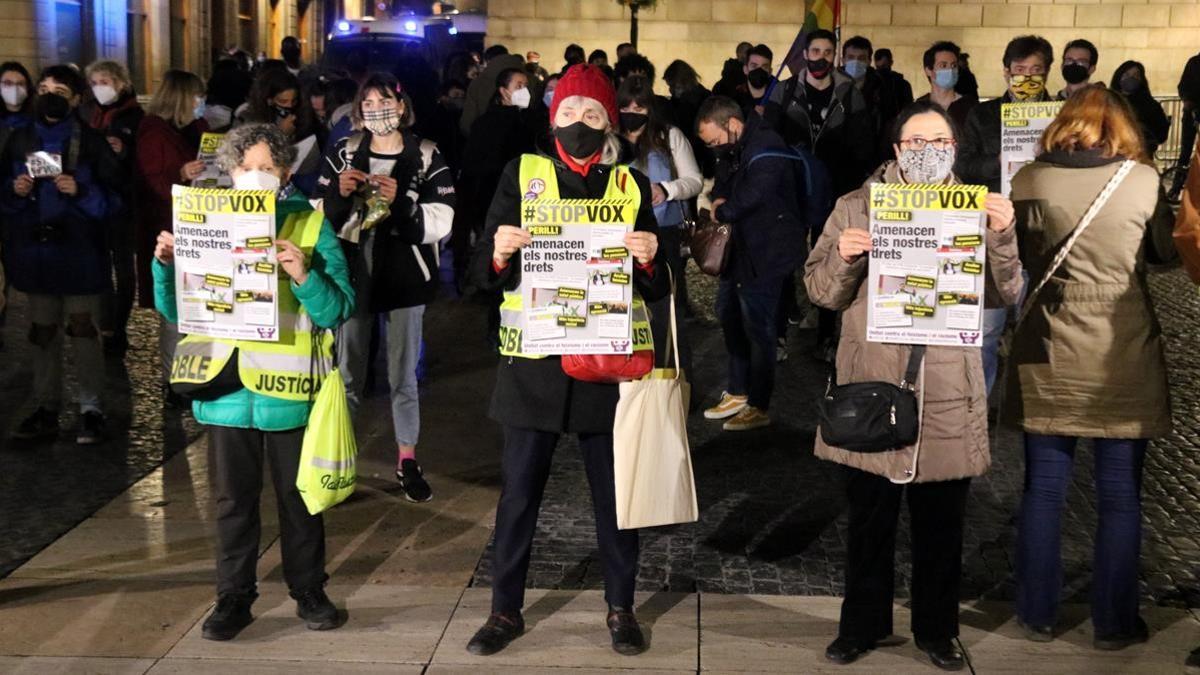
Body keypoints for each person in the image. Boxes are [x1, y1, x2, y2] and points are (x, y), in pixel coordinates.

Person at [804, 100, 1022, 670]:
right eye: (916, 142)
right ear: (897, 149)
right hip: (874, 385)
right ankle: (861, 627)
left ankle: (937, 631)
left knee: (941, 527)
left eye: (939, 141)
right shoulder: (855, 206)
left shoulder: (977, 210)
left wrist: (1001, 235)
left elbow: (1005, 295)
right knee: (869, 522)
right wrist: (848, 256)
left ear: (954, 148)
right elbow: (821, 293)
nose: (928, 151)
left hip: (948, 387)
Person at [464, 63, 668, 658]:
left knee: (615, 498)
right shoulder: (521, 174)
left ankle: (621, 607)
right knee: (519, 498)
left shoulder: (628, 186)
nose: (580, 123)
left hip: (607, 371)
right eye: (570, 112)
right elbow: (481, 274)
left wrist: (652, 256)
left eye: (593, 114)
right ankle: (504, 611)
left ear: (610, 123)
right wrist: (500, 253)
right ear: (553, 117)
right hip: (534, 368)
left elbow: (657, 287)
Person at [153, 123, 355, 641]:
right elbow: (177, 309)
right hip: (226, 390)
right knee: (232, 502)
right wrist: (165, 265)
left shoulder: (310, 224)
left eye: (268, 168)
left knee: (299, 498)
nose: (256, 176)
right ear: (230, 171)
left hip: (288, 391)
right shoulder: (207, 221)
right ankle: (233, 596)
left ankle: (309, 589)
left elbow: (338, 310)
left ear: (285, 172)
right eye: (247, 168)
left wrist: (304, 274)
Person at [1006, 85, 1175, 652]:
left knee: (1044, 491)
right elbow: (1163, 253)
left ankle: (1036, 613)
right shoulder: (1145, 181)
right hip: (1122, 347)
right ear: (1121, 126)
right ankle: (1114, 622)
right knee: (1121, 495)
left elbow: (1024, 258)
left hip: (1050, 345)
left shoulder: (1029, 180)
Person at [319, 73, 456, 503]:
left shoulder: (427, 154)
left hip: (405, 278)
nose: (378, 107)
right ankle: (340, 462)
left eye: (386, 99)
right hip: (354, 275)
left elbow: (442, 220)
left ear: (401, 105)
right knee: (347, 376)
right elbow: (320, 213)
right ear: (358, 109)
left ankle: (407, 459)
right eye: (369, 100)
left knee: (403, 376)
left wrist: (401, 202)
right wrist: (339, 197)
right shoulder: (343, 151)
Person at [1, 64, 121, 444]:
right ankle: (45, 405)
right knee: (40, 331)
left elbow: (117, 201)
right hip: (36, 254)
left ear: (76, 100)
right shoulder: (20, 140)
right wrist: (16, 192)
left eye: (61, 91)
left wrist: (82, 192)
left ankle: (91, 407)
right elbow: (2, 193)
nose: (50, 96)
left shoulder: (90, 142)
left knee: (83, 330)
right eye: (46, 88)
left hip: (80, 254)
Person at [697, 95, 804, 431]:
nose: (715, 148)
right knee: (728, 314)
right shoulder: (736, 148)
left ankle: (758, 404)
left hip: (767, 253)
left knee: (760, 329)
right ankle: (738, 389)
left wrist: (723, 210)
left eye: (715, 140)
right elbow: (725, 183)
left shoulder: (768, 146)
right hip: (741, 250)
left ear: (733, 124)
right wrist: (718, 198)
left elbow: (754, 194)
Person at [957, 34, 1053, 395]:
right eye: (1020, 70)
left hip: (1043, 231)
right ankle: (979, 401)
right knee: (985, 328)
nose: (1027, 77)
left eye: (1036, 70)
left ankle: (1033, 400)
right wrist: (996, 160)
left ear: (1047, 73)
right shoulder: (982, 115)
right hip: (993, 234)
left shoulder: (1062, 117)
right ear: (1006, 72)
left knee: (1040, 331)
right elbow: (962, 166)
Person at [617, 74, 702, 375]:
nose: (632, 113)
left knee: (669, 309)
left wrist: (666, 189)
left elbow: (694, 181)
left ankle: (676, 378)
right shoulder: (610, 139)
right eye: (626, 106)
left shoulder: (669, 136)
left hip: (663, 232)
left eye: (640, 108)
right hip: (617, 235)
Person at [134, 69, 209, 408]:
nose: (200, 103)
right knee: (173, 310)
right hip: (169, 228)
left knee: (197, 304)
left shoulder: (196, 128)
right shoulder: (154, 133)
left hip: (200, 226)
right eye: (196, 96)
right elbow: (154, 185)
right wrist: (180, 174)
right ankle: (172, 380)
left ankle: (194, 373)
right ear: (182, 98)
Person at [764, 29, 876, 197]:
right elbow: (769, 137)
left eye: (827, 52)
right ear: (805, 54)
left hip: (836, 187)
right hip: (792, 186)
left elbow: (862, 145)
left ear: (834, 56)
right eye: (816, 51)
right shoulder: (784, 91)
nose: (821, 58)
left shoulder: (850, 94)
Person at [455, 68, 539, 288]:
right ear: (503, 91)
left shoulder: (530, 119)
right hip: (492, 196)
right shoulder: (488, 122)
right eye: (518, 86)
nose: (524, 90)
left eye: (526, 86)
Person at [82, 60, 143, 358]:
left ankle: (118, 327)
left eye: (104, 81)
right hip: (95, 202)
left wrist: (124, 151)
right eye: (94, 83)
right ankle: (106, 324)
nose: (99, 88)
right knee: (102, 266)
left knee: (122, 268)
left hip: (122, 203)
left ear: (120, 82)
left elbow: (139, 161)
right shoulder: (92, 115)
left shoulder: (133, 116)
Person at [238, 68, 323, 195]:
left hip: (299, 179)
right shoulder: (248, 118)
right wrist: (279, 133)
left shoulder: (302, 115)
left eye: (293, 101)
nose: (289, 106)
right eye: (283, 101)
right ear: (269, 100)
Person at [663, 59, 713, 178]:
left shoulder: (686, 102)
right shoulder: (704, 95)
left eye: (671, 85)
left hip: (692, 148)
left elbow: (683, 124)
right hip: (702, 150)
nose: (670, 89)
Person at [1111, 61, 1170, 160]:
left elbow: (1161, 134)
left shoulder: (1151, 105)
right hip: (1113, 156)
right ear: (1119, 77)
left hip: (1142, 156)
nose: (1131, 78)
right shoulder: (1109, 101)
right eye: (1127, 74)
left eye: (1136, 75)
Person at [460, 47, 524, 135]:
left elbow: (467, 122)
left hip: (485, 139)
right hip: (524, 140)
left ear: (488, 60)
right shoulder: (532, 79)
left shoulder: (478, 83)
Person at [916, 41, 977, 129]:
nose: (950, 70)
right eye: (943, 65)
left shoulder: (970, 107)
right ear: (929, 70)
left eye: (954, 65)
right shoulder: (919, 107)